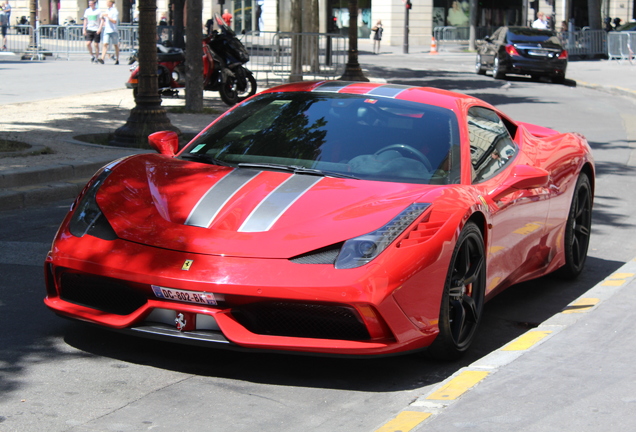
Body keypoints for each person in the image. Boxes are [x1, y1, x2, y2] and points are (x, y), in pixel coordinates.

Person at [100, 0, 119, 64]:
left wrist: (108, 17)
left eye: (108, 2)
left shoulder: (115, 11)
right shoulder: (107, 10)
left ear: (111, 3)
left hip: (113, 30)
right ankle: (102, 58)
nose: (106, 3)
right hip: (107, 30)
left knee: (115, 44)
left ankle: (117, 59)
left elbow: (114, 21)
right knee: (105, 44)